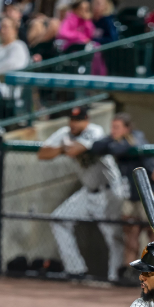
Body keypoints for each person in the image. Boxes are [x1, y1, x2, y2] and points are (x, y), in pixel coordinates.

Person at [37, 106, 128, 282]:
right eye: (72, 119)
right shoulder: (65, 132)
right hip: (87, 192)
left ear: (86, 120)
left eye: (78, 120)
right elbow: (43, 153)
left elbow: (74, 150)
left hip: (109, 191)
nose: (74, 123)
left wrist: (63, 147)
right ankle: (75, 270)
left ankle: (114, 278)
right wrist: (65, 147)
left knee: (114, 237)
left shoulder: (94, 130)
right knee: (59, 219)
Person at [88, 113, 154, 275]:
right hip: (130, 193)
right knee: (130, 231)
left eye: (117, 127)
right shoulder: (115, 139)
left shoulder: (137, 137)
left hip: (149, 193)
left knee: (152, 232)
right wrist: (112, 141)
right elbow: (96, 146)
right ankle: (130, 271)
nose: (113, 131)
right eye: (112, 127)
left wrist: (113, 144)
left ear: (127, 128)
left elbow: (120, 148)